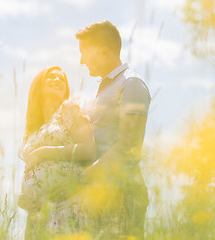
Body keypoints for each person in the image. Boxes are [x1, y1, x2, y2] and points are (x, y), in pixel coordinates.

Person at [53, 20, 151, 239]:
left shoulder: (131, 84)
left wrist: (80, 179)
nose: (80, 60)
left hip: (123, 194)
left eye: (84, 53)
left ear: (104, 51)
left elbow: (128, 147)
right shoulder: (105, 88)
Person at [18, 66, 96, 239]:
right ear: (39, 86)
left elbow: (89, 150)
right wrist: (24, 197)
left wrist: (45, 152)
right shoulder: (33, 128)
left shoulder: (69, 110)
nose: (58, 80)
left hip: (65, 202)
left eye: (62, 79)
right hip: (37, 212)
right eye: (51, 77)